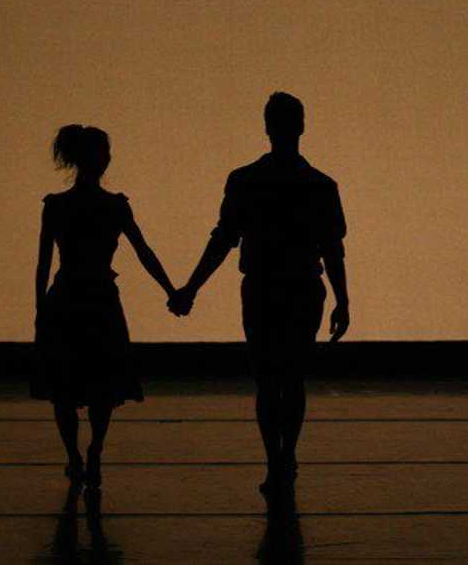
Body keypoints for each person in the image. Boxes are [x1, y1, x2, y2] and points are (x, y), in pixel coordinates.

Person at [168, 92, 349, 511]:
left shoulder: (246, 181)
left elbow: (223, 240)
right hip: (302, 288)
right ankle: (286, 457)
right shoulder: (320, 186)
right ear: (301, 127)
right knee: (292, 379)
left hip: (263, 290)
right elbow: (332, 250)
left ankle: (276, 461)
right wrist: (343, 300)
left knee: (268, 381)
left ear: (267, 128)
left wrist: (191, 288)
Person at [32, 124, 178, 488]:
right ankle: (94, 450)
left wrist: (40, 309)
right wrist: (171, 291)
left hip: (66, 299)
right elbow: (144, 252)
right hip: (100, 300)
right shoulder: (113, 207)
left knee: (65, 388)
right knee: (102, 384)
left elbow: (44, 264)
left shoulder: (57, 206)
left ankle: (75, 457)